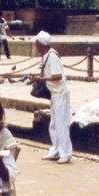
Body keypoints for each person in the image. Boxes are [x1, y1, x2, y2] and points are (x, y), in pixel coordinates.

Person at [29, 31, 72, 163]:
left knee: (61, 124)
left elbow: (57, 76)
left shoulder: (52, 56)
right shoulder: (46, 55)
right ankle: (56, 150)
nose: (36, 46)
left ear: (41, 44)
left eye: (36, 44)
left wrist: (40, 78)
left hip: (60, 93)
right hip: (54, 94)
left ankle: (65, 153)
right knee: (53, 124)